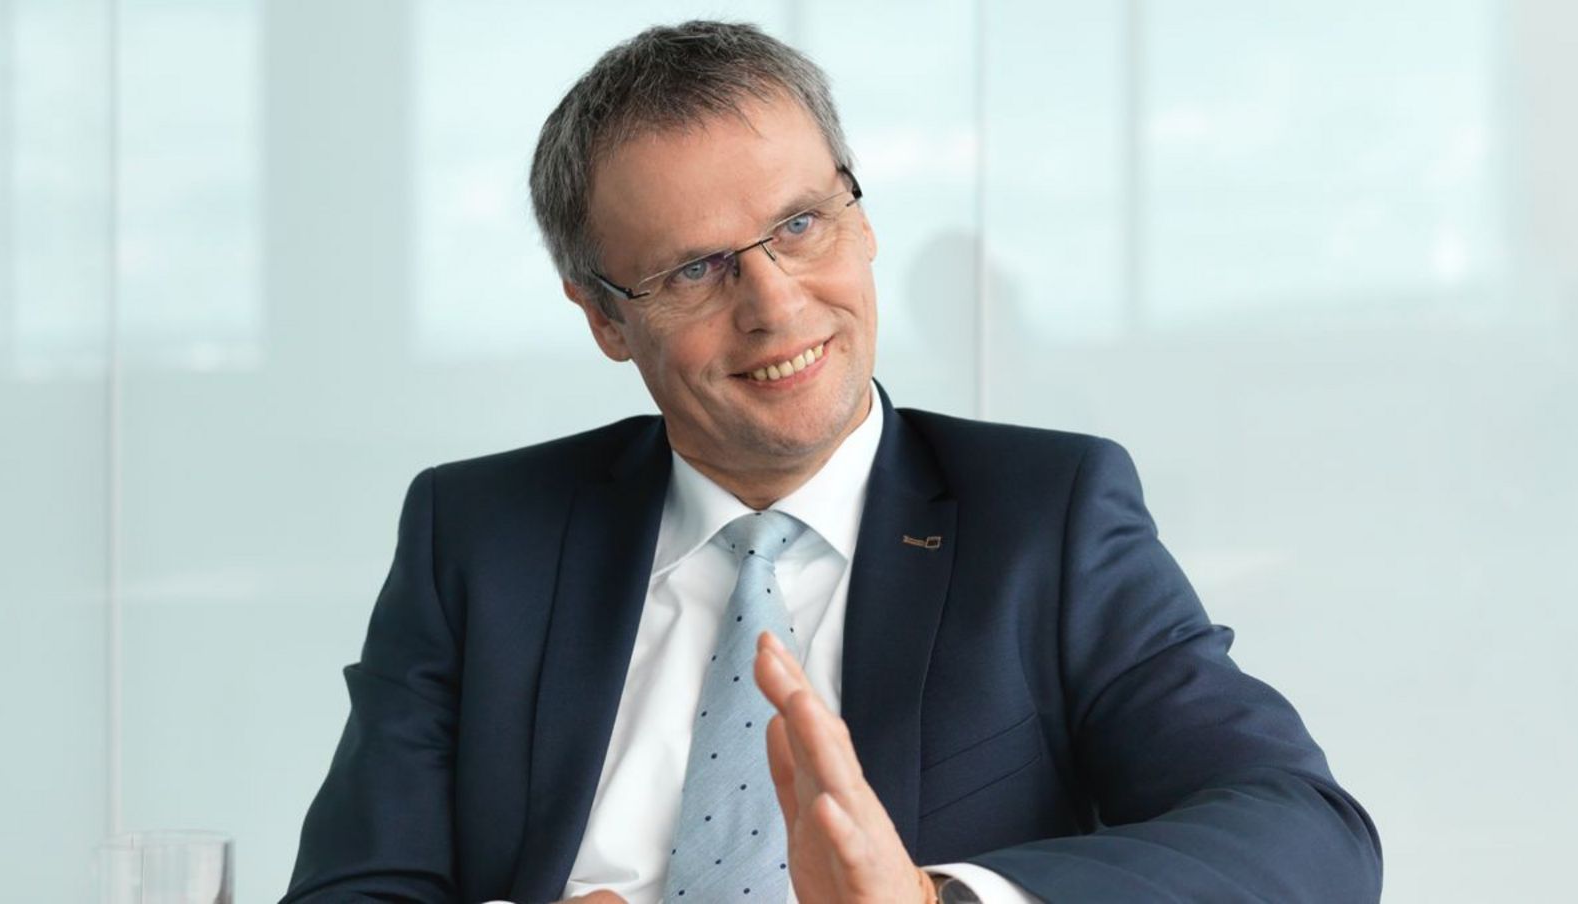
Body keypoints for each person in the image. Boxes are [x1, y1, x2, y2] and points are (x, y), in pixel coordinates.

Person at [283, 20, 1380, 904]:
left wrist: (936, 901)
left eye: (801, 224)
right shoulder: (479, 536)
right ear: (605, 317)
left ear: (861, 221)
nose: (775, 304)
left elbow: (1305, 836)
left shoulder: (1048, 517)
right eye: (696, 270)